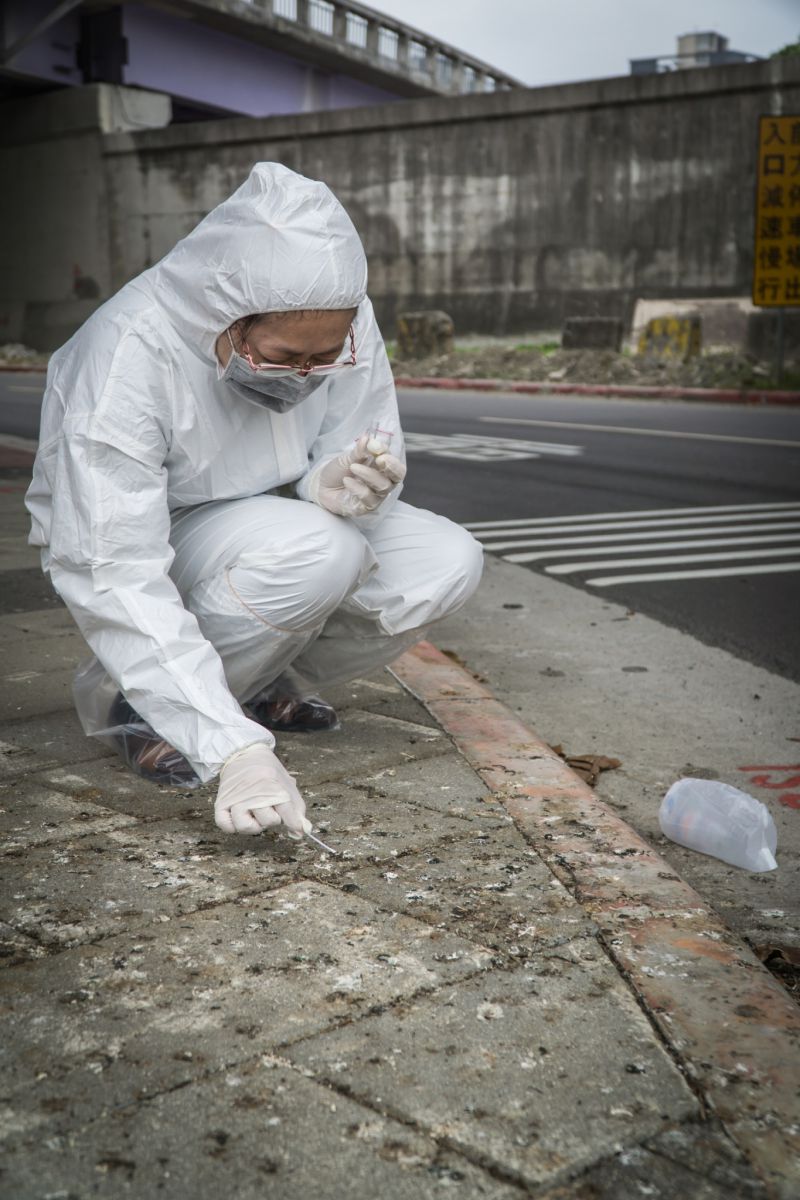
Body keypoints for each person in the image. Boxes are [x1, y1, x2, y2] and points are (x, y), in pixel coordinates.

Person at [25, 163, 483, 841]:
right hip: (163, 535)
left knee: (447, 561)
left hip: (276, 516)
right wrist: (231, 752)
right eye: (284, 357)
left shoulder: (338, 322)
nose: (304, 377)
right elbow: (109, 565)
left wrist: (331, 479)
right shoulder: (126, 354)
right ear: (228, 317)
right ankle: (157, 712)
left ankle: (257, 686)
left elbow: (363, 428)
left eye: (320, 359)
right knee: (321, 551)